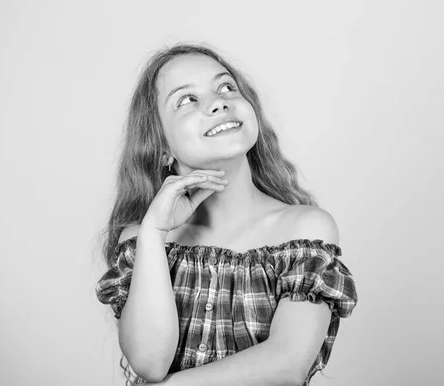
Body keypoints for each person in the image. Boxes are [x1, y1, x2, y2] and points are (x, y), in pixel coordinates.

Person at [95, 43, 358, 386]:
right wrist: (153, 232)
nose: (218, 102)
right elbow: (150, 363)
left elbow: (287, 364)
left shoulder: (305, 229)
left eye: (226, 87)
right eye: (187, 99)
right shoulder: (142, 241)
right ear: (161, 148)